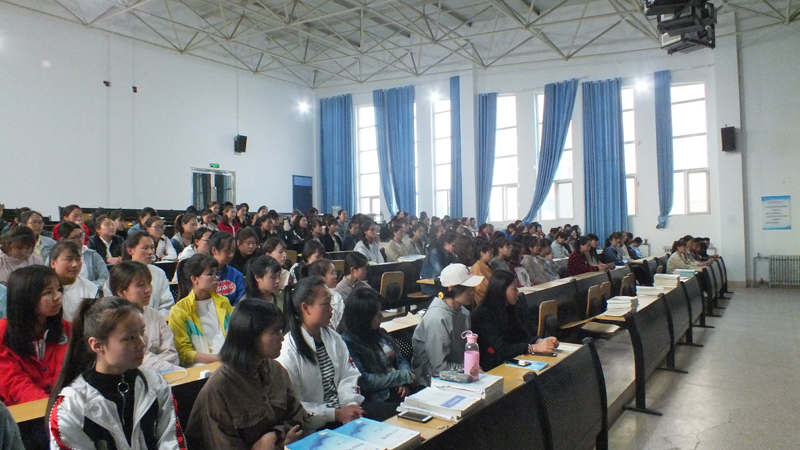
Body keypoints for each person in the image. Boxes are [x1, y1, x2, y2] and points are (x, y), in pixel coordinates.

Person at [47, 296, 186, 449]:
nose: (142, 343)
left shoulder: (155, 385)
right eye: (130, 338)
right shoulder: (72, 406)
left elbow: (171, 441)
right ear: (97, 346)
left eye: (142, 332)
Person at [186, 300, 306, 450]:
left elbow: (297, 415)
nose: (282, 338)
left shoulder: (277, 370)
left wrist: (275, 435)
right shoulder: (219, 389)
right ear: (251, 337)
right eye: (274, 331)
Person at [277, 277, 364, 430]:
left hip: (343, 415)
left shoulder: (333, 338)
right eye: (325, 304)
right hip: (314, 427)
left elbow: (348, 375)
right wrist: (335, 414)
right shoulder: (288, 350)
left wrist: (350, 405)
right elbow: (295, 404)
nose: (331, 308)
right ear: (306, 308)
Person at [340, 288, 417, 419]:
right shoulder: (348, 342)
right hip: (379, 398)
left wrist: (405, 382)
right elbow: (365, 380)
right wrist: (403, 377)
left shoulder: (381, 333)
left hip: (398, 389)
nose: (381, 317)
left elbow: (400, 359)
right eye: (376, 314)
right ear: (364, 317)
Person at [0, 266, 70, 406]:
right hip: (24, 413)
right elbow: (14, 384)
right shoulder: (2, 334)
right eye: (48, 292)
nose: (57, 297)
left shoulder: (68, 329)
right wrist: (53, 408)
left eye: (58, 290)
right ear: (26, 298)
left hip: (65, 408)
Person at [471, 270, 558, 371]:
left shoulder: (509, 308)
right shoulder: (483, 314)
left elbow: (522, 336)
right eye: (514, 289)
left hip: (510, 361)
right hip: (493, 367)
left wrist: (541, 341)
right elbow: (500, 349)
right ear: (501, 291)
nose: (518, 292)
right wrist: (533, 348)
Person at [412, 263, 482, 386]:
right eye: (467, 288)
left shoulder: (463, 312)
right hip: (432, 380)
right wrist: (469, 367)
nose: (472, 292)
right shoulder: (436, 318)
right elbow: (439, 368)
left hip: (460, 373)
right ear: (451, 288)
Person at [109, 261, 181, 372]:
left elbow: (171, 354)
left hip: (166, 373)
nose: (148, 290)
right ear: (121, 292)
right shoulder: (113, 322)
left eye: (149, 284)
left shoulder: (155, 315)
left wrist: (156, 365)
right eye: (141, 285)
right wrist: (156, 364)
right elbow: (129, 360)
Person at [171, 254, 233, 367]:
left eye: (216, 273)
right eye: (210, 274)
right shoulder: (179, 310)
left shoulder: (223, 302)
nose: (216, 277)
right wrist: (218, 358)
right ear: (194, 279)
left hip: (229, 358)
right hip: (201, 364)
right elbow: (184, 352)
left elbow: (235, 333)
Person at [106, 231, 174, 316]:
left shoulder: (159, 273)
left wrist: (153, 319)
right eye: (145, 248)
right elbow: (110, 305)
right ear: (130, 250)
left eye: (152, 247)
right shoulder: (118, 273)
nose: (150, 252)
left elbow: (167, 305)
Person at [49, 241, 100, 322]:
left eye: (78, 259)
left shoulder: (90, 289)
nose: (74, 265)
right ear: (53, 263)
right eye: (69, 260)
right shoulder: (43, 288)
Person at [55, 221, 109, 287]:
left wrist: (88, 286)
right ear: (63, 239)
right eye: (75, 237)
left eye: (81, 235)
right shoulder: (55, 255)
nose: (80, 239)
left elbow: (105, 277)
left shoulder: (92, 255)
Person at [307, 259, 345, 330]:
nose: (336, 276)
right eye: (332, 273)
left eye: (335, 272)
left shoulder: (336, 296)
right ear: (320, 278)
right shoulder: (308, 296)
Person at [210, 231, 245, 306]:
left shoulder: (237, 275)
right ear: (214, 250)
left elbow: (239, 302)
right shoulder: (202, 275)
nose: (231, 255)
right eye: (227, 251)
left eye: (233, 251)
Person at [419, 230, 459, 296]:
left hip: (441, 284)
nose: (456, 248)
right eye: (454, 246)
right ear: (446, 244)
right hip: (430, 286)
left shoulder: (450, 254)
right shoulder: (435, 253)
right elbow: (441, 272)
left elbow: (454, 269)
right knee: (454, 293)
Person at [471, 238, 493, 305]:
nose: (492, 255)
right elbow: (481, 288)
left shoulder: (486, 266)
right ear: (482, 253)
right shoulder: (477, 267)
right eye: (490, 253)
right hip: (484, 302)